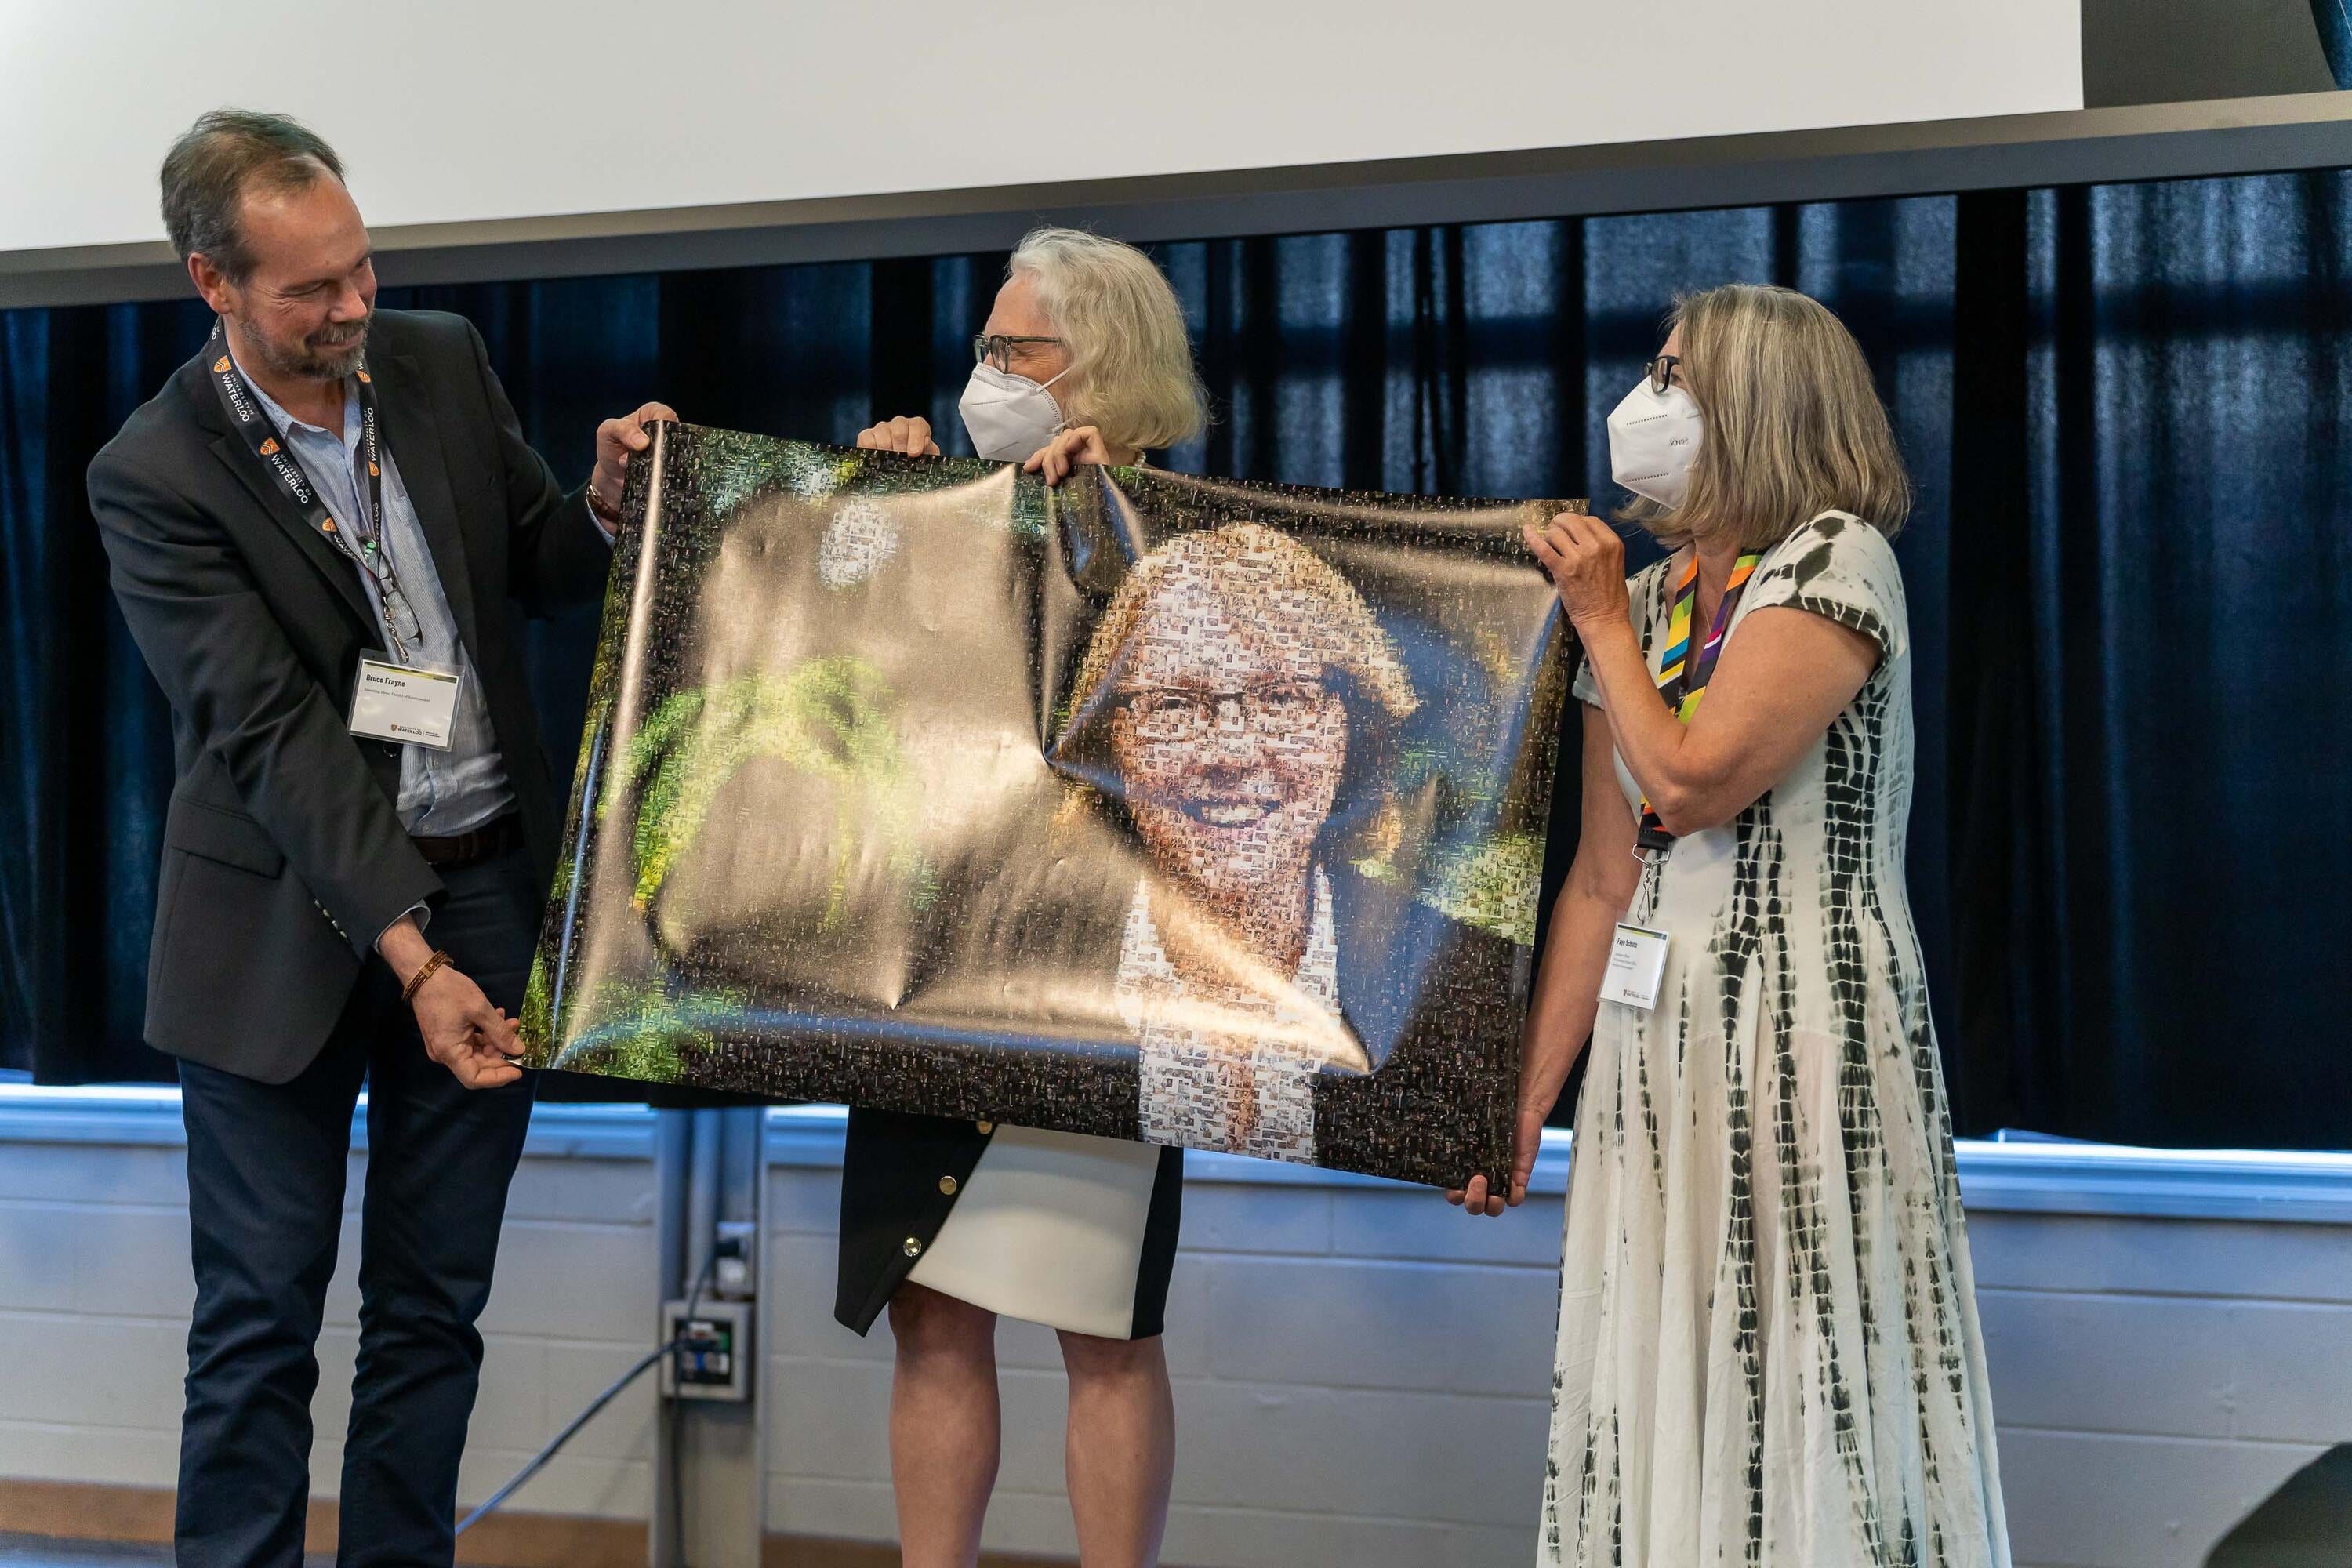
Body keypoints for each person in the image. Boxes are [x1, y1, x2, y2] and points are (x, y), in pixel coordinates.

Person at [86, 110, 670, 1568]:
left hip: (481, 894)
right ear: (212, 283)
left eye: (361, 269)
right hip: (282, 931)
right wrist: (412, 960)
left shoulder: (435, 358)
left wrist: (606, 504)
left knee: (432, 1315)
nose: (353, 307)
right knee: (260, 1319)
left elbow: (530, 557)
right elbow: (272, 737)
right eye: (311, 290)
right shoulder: (153, 472)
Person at [1466, 284, 2009, 1566]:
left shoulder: (1834, 559)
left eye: (1674, 379)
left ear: (1757, 407)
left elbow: (1696, 782)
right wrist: (1523, 1101)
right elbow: (1605, 883)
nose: (1642, 405)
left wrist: (1594, 619)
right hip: (1657, 1050)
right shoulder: (1649, 598)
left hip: (1808, 1033)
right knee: (1663, 1358)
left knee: (1804, 1360)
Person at [839, 227, 1205, 1568]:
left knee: (1102, 1323)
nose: (985, 373)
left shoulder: (1181, 527)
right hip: (928, 969)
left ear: (1102, 367)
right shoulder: (949, 504)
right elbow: (852, 702)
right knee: (932, 1313)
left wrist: (1113, 520)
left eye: (1016, 351)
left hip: (1097, 984)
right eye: (983, 349)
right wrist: (871, 518)